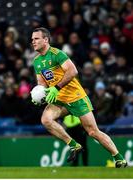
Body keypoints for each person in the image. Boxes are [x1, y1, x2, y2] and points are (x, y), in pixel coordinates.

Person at [31, 27, 127, 168]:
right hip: (59, 99)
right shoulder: (37, 61)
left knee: (93, 132)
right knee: (46, 120)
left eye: (36, 38)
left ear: (46, 40)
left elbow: (73, 71)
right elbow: (42, 83)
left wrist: (56, 88)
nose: (33, 41)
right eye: (32, 39)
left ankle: (119, 158)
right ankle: (74, 145)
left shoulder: (57, 54)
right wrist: (39, 95)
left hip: (76, 97)